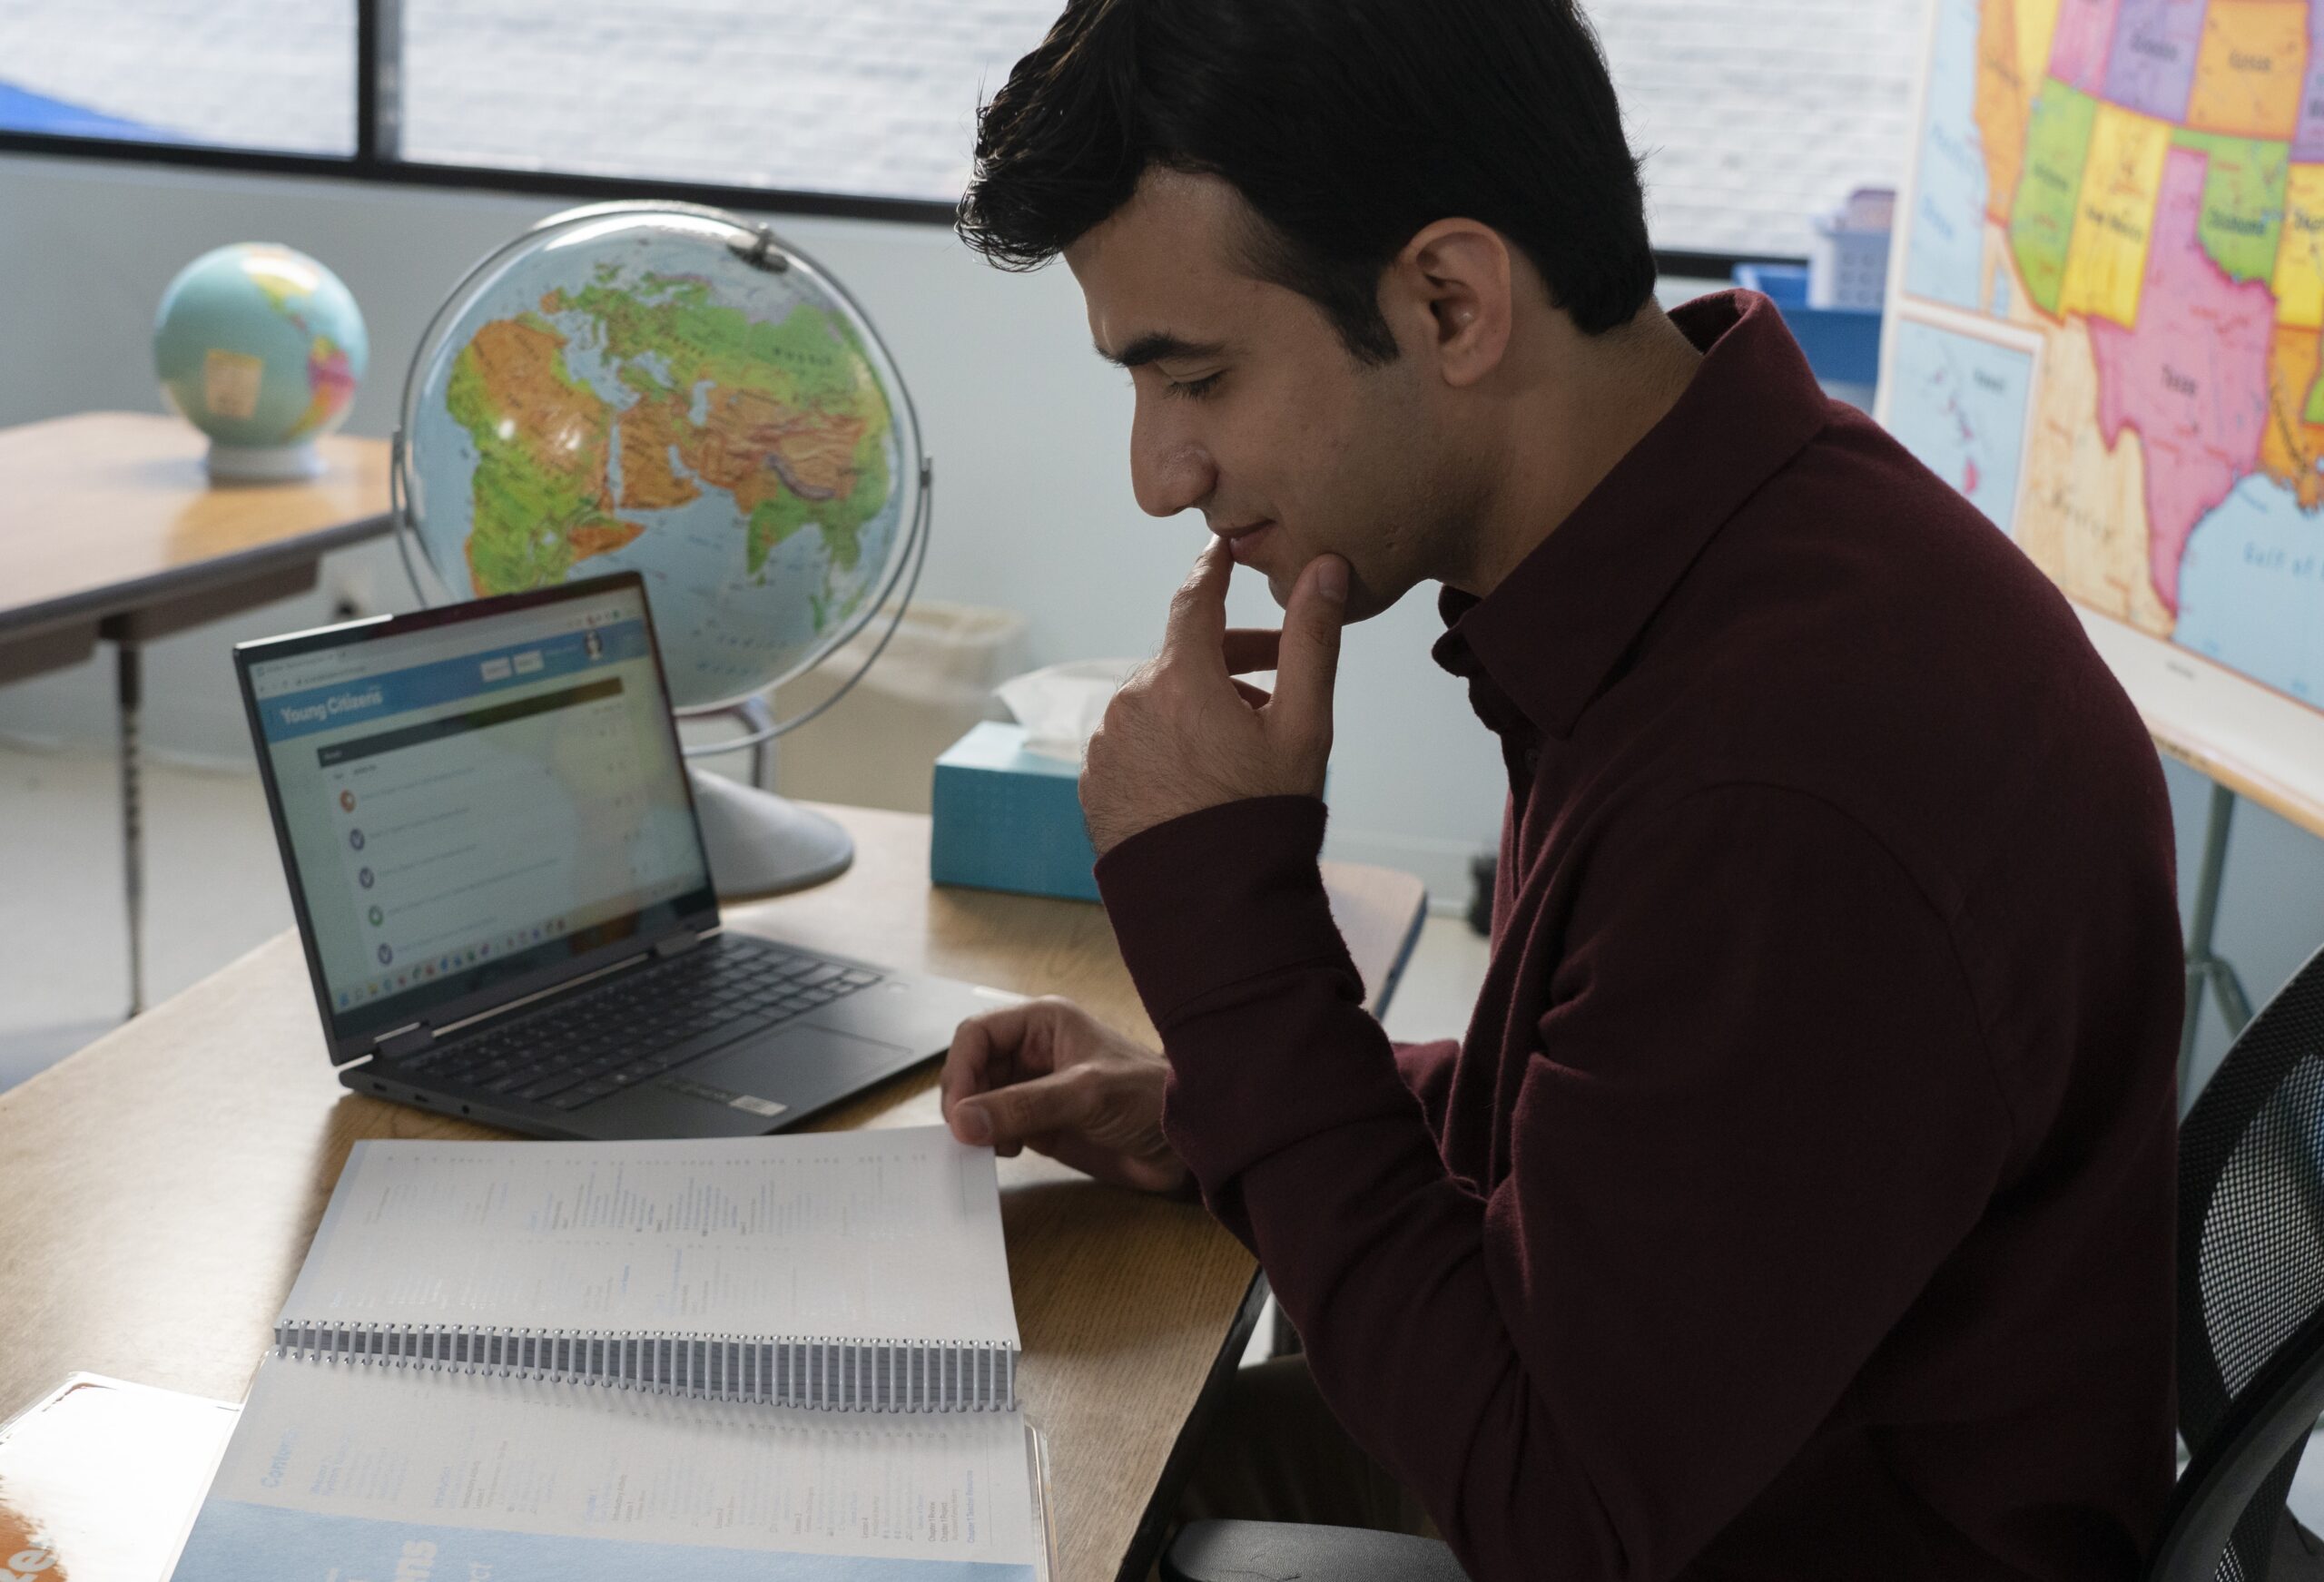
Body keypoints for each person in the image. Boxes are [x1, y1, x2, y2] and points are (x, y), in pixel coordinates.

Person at [940, 1, 2184, 1577]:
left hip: (1752, 1533)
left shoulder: (1788, 779)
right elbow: (1657, 1137)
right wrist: (1204, 1110)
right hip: (1731, 1461)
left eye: (1193, 376)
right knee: (1080, 1456)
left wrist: (1222, 913)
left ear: (1453, 300)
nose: (1158, 472)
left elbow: (1552, 1515)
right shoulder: (1737, 547)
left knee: (1043, 1506)